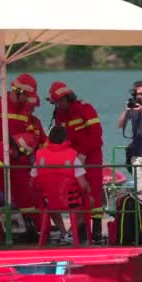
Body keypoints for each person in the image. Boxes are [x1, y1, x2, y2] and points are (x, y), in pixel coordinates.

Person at [0, 73, 45, 236]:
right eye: (27, 97)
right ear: (19, 92)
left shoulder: (25, 109)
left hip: (19, 161)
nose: (28, 101)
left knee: (27, 197)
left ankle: (35, 230)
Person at [47, 81, 105, 242]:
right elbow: (60, 137)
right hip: (73, 158)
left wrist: (84, 154)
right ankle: (80, 231)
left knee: (94, 192)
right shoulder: (59, 114)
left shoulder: (85, 109)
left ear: (67, 98)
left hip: (91, 156)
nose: (57, 105)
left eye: (59, 101)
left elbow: (96, 134)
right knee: (78, 194)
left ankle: (97, 230)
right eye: (55, 103)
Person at [33, 126, 93, 244]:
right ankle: (70, 234)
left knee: (49, 203)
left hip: (49, 201)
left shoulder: (40, 156)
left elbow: (32, 181)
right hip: (70, 201)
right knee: (90, 202)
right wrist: (86, 191)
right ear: (66, 139)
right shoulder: (72, 157)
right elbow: (83, 185)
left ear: (49, 139)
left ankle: (63, 232)